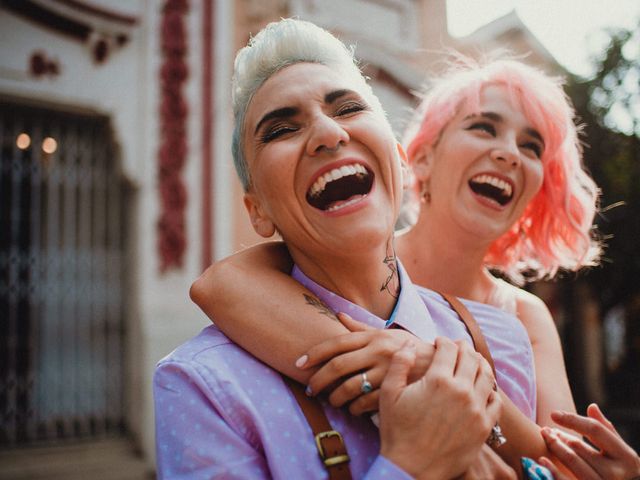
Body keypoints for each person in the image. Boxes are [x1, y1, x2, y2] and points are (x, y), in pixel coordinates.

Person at [191, 33, 604, 477]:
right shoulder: (340, 255)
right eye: (483, 127)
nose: (508, 154)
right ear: (418, 158)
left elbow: (562, 466)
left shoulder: (520, 320)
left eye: (532, 146)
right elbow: (219, 285)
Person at [154, 18, 502, 479]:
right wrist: (411, 466)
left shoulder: (502, 339)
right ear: (257, 211)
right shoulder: (202, 386)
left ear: (399, 164)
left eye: (348, 108)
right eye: (280, 130)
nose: (328, 134)